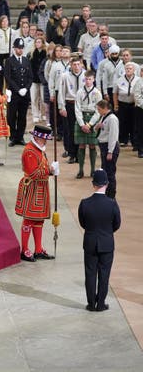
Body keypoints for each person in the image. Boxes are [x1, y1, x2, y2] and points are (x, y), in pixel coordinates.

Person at [78, 169, 121, 312]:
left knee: (90, 274)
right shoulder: (112, 204)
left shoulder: (84, 203)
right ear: (107, 184)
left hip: (90, 242)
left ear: (93, 184)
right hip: (107, 243)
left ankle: (91, 304)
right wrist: (107, 233)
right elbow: (117, 224)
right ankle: (101, 303)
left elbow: (83, 223)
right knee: (104, 274)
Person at [15, 124, 59, 262]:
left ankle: (38, 249)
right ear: (37, 137)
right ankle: (25, 249)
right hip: (32, 188)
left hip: (40, 188)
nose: (46, 142)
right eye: (44, 139)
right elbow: (34, 173)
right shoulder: (30, 151)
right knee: (29, 219)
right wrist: (50, 171)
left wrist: (50, 171)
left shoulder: (39, 150)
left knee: (39, 219)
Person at [4, 38, 33, 147]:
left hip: (24, 94)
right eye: (18, 48)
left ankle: (20, 137)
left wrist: (26, 88)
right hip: (14, 93)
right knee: (11, 116)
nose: (20, 50)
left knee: (22, 116)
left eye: (21, 48)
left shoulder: (26, 60)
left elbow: (30, 77)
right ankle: (13, 136)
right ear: (14, 48)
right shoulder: (9, 61)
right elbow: (8, 77)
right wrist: (17, 89)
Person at [74, 69, 102, 179]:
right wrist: (81, 124)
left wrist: (90, 124)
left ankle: (92, 170)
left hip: (92, 119)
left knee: (92, 145)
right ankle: (80, 170)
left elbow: (98, 110)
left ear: (94, 79)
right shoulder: (80, 92)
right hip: (81, 117)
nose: (88, 81)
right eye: (86, 79)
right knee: (81, 144)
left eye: (90, 79)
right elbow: (77, 108)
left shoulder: (97, 93)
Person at [57, 56, 85, 164]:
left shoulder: (85, 75)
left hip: (82, 106)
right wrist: (62, 107)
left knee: (80, 130)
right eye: (74, 64)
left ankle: (80, 154)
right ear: (71, 65)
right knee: (70, 130)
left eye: (78, 64)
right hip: (70, 104)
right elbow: (61, 92)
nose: (76, 67)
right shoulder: (65, 76)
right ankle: (71, 153)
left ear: (81, 64)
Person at [94, 100, 119, 198]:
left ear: (105, 108)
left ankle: (111, 195)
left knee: (110, 173)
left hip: (109, 147)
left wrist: (110, 151)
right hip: (104, 146)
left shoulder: (112, 118)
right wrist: (98, 126)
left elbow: (113, 136)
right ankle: (106, 193)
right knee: (106, 171)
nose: (98, 111)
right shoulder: (104, 117)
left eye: (99, 109)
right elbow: (102, 129)